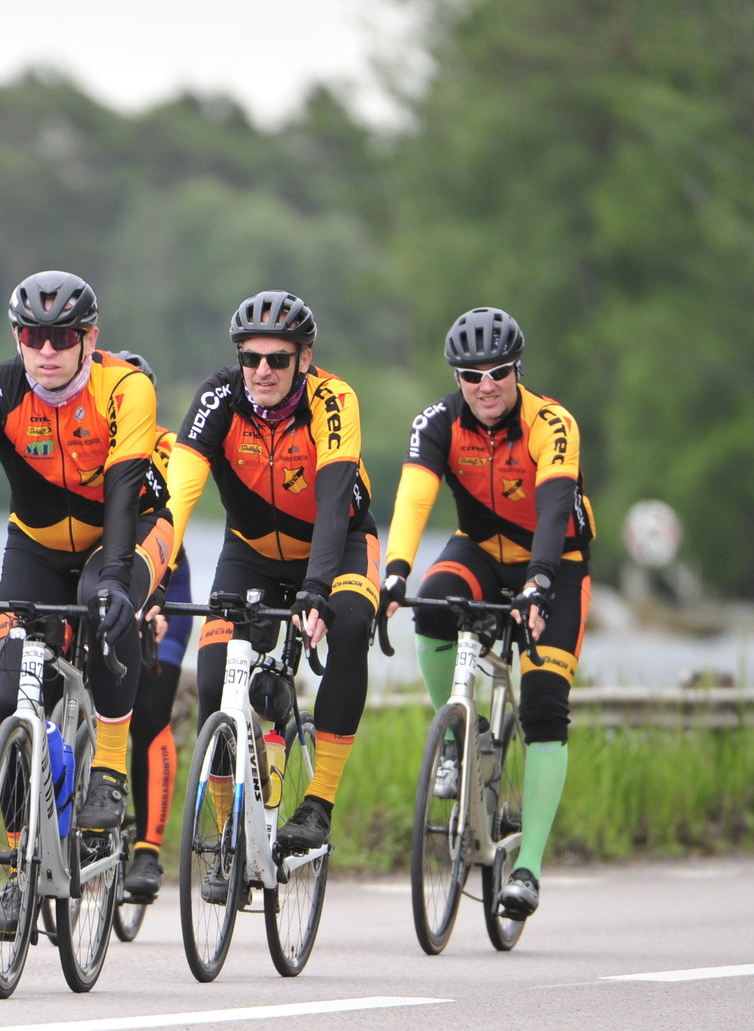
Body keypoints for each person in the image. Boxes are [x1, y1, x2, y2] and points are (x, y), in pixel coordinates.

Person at [0, 272, 164, 928]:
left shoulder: (125, 388)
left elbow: (124, 490)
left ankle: (110, 769)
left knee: (105, 606)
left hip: (125, 531)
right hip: (35, 546)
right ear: (16, 337)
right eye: (32, 336)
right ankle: (22, 863)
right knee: (11, 701)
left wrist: (116, 580)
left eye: (62, 338)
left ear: (89, 339)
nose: (46, 350)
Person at [379, 306, 594, 920]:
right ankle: (460, 736)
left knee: (545, 706)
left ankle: (528, 869)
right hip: (479, 549)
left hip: (555, 560)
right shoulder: (438, 423)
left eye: (499, 372)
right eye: (472, 376)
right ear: (457, 378)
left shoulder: (551, 423)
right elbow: (414, 498)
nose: (486, 385)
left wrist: (540, 583)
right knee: (431, 606)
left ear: (517, 370)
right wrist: (394, 572)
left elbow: (555, 509)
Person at [169, 291, 380, 860]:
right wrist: (149, 576)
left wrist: (316, 590)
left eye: (278, 359)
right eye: (250, 357)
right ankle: (228, 839)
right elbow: (177, 499)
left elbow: (334, 503)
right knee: (214, 679)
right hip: (252, 552)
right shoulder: (218, 397)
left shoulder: (333, 400)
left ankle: (318, 803)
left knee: (351, 622)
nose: (262, 370)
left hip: (339, 545)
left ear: (304, 359)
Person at [113, 351, 194, 907]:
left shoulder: (168, 449)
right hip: (100, 578)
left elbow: (173, 522)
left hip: (164, 580)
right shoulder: (83, 441)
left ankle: (147, 849)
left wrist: (154, 597)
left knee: (149, 712)